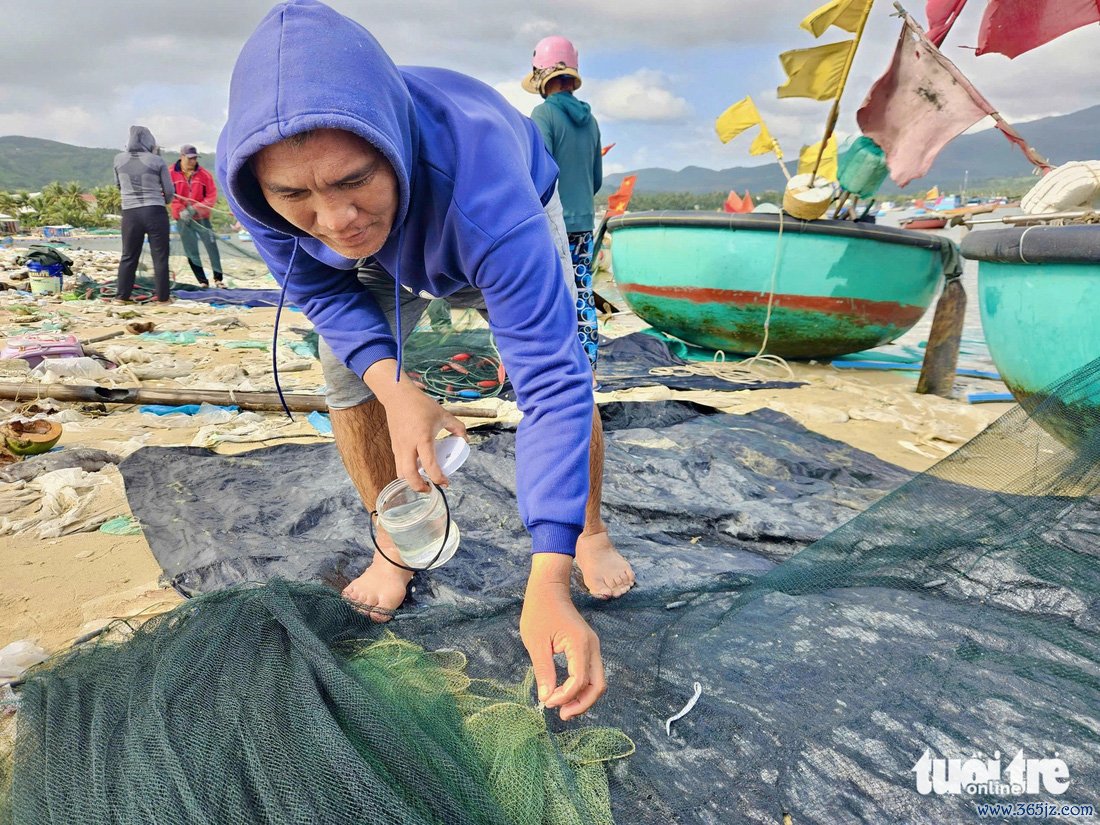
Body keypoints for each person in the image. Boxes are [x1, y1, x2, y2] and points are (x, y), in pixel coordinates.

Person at [219, 0, 634, 720]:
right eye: (296, 195)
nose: (334, 218)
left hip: (476, 219)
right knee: (348, 373)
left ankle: (588, 529)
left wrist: (549, 577)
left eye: (353, 180)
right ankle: (396, 545)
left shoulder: (485, 195)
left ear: (392, 149)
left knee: (568, 367)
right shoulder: (267, 187)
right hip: (392, 249)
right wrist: (395, 385)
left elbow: (549, 383)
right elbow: (321, 286)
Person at [524, 36, 603, 372]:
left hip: (553, 224)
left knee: (551, 296)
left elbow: (537, 173)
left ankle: (558, 372)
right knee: (582, 293)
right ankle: (588, 370)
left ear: (543, 79)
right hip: (584, 222)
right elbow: (596, 180)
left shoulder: (543, 115)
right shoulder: (592, 121)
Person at [113, 126, 174, 303]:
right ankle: (163, 298)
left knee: (128, 255)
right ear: (149, 141)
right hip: (154, 211)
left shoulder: (118, 159)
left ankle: (122, 296)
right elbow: (169, 191)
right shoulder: (157, 161)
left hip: (130, 213)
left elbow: (118, 185)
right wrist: (165, 201)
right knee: (160, 256)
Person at [170, 144, 225, 287]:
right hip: (183, 220)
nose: (192, 161)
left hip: (202, 218)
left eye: (194, 158)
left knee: (211, 247)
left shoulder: (204, 175)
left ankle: (218, 279)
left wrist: (195, 209)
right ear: (181, 157)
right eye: (189, 158)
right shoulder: (170, 173)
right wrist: (180, 209)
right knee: (191, 250)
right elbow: (168, 195)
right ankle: (202, 281)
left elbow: (211, 196)